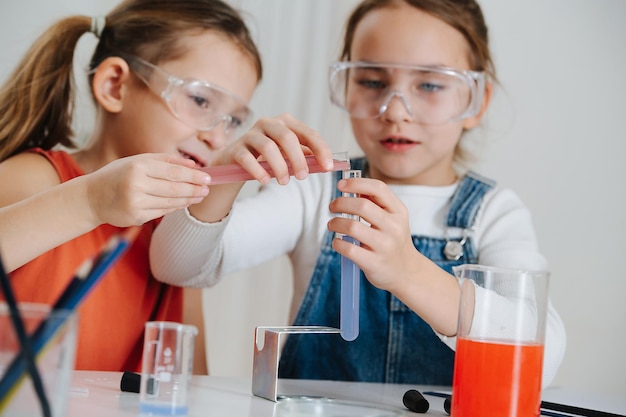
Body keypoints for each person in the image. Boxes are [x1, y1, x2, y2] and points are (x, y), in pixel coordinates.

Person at [149, 0, 566, 385]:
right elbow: (178, 267)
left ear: (476, 100)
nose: (397, 110)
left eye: (431, 85)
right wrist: (230, 170)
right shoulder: (314, 194)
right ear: (345, 88)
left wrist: (409, 271)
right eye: (371, 81)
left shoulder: (493, 214)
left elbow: (539, 353)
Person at [0, 0, 333, 372]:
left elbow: (194, 387)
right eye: (200, 100)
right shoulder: (33, 179)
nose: (216, 136)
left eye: (234, 121)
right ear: (114, 85)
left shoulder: (180, 235)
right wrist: (92, 202)